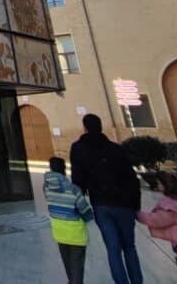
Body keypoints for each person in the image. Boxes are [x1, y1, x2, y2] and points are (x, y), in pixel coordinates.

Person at [70, 113, 143, 284]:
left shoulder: (78, 148)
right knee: (130, 247)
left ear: (85, 128)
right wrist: (136, 205)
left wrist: (78, 205)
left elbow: (78, 180)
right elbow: (132, 179)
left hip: (101, 203)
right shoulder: (116, 149)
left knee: (113, 248)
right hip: (125, 204)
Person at [137, 170, 177, 284]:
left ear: (166, 186)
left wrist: (137, 214)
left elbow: (157, 220)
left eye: (159, 183)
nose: (158, 185)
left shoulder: (171, 205)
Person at [44, 156, 93, 284]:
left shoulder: (46, 188)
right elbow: (85, 210)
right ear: (64, 169)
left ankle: (71, 281)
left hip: (58, 230)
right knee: (77, 264)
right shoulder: (73, 189)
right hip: (75, 232)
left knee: (67, 262)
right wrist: (89, 217)